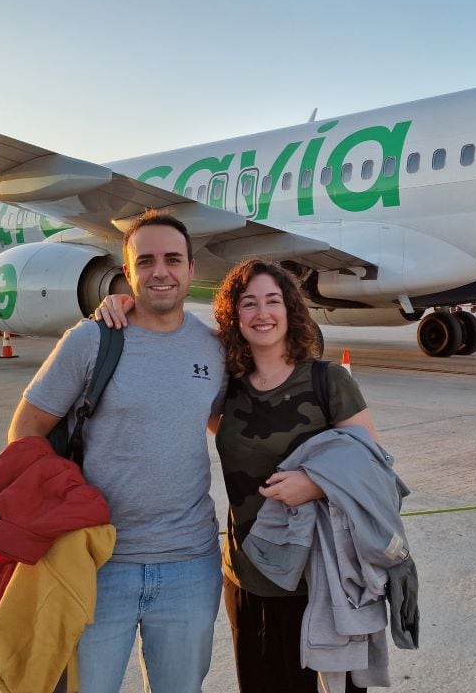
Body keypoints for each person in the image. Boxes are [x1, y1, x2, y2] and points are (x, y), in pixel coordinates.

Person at [99, 260, 378, 692]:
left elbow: (371, 461)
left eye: (273, 301)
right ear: (234, 317)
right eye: (249, 304)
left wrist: (316, 482)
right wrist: (125, 305)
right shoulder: (228, 386)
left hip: (320, 578)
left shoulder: (328, 381)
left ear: (290, 310)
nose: (262, 314)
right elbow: (185, 371)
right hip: (249, 577)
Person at [7, 211, 226, 693]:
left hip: (190, 562)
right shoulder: (91, 340)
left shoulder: (214, 350)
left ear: (192, 269)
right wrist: (63, 505)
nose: (160, 271)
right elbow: (27, 431)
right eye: (145, 261)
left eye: (172, 259)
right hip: (96, 564)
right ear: (128, 272)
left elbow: (221, 424)